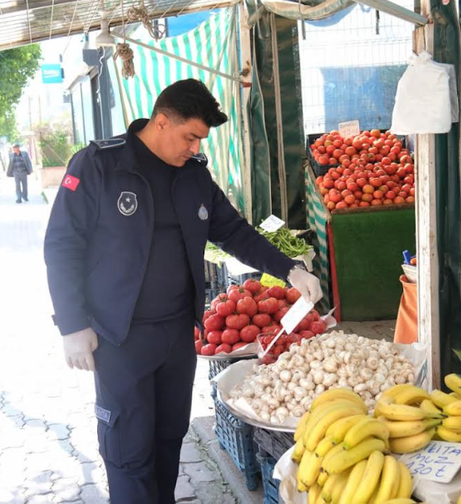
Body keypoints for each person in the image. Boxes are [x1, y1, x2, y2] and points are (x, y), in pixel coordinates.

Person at [44, 79, 322, 504]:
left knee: (169, 438)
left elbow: (233, 232)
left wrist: (289, 270)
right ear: (160, 122)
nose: (195, 148)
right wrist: (71, 323)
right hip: (120, 337)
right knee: (128, 448)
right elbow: (62, 244)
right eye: (189, 136)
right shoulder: (99, 165)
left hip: (177, 334)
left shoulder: (194, 176)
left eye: (201, 140)